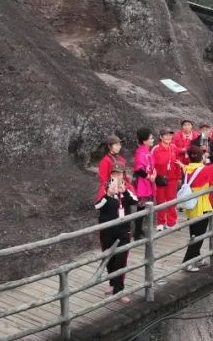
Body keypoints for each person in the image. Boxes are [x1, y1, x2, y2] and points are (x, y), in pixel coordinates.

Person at [95, 162, 139, 301]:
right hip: (107, 229)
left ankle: (119, 290)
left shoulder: (127, 186)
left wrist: (124, 191)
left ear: (123, 174)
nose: (117, 176)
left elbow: (135, 201)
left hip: (123, 229)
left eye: (119, 173)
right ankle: (113, 283)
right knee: (109, 258)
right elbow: (97, 206)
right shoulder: (105, 186)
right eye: (114, 173)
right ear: (111, 174)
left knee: (121, 259)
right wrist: (108, 194)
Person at [151, 128, 180, 231]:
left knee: (172, 201)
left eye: (170, 135)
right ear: (161, 137)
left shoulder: (174, 148)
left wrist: (178, 177)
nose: (168, 137)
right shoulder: (156, 149)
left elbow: (177, 163)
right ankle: (160, 222)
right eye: (166, 135)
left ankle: (171, 222)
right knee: (160, 201)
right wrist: (153, 177)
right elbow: (151, 164)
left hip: (172, 179)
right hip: (160, 179)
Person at [131, 129, 156, 240]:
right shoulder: (141, 152)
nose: (152, 140)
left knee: (144, 208)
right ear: (144, 140)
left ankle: (140, 230)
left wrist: (153, 172)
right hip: (143, 183)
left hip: (147, 183)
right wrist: (150, 176)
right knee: (141, 208)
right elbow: (139, 169)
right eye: (151, 138)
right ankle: (137, 232)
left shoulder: (146, 151)